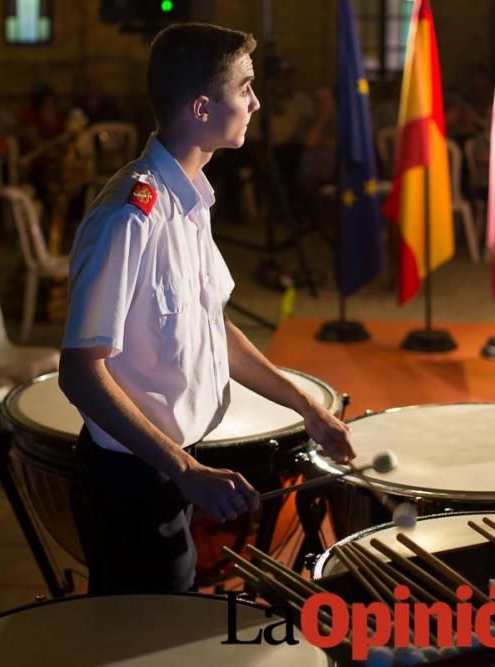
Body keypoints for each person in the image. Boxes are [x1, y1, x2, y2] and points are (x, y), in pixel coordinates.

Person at [58, 23, 354, 595]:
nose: (255, 101)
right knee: (142, 642)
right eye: (244, 87)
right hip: (131, 480)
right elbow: (80, 371)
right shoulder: (131, 214)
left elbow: (212, 327)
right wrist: (185, 470)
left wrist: (306, 409)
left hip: (168, 466)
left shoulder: (192, 199)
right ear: (200, 106)